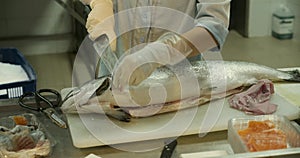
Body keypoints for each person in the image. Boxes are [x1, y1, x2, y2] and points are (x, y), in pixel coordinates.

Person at [81, 0, 231, 90]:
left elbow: (215, 25)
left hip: (177, 80)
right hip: (115, 69)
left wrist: (162, 52)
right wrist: (100, 3)